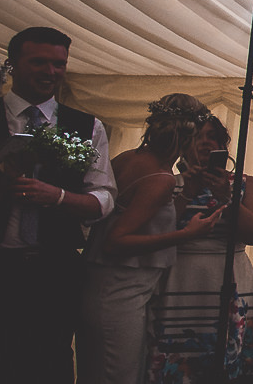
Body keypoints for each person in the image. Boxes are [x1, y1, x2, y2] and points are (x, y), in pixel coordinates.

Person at [0, 26, 118, 384]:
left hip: (55, 268)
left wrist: (59, 197)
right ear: (14, 64)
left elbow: (104, 197)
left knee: (51, 361)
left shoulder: (86, 126)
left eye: (59, 64)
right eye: (39, 62)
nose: (51, 72)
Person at [78, 95, 223, 384]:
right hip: (121, 292)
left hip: (99, 285)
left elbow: (143, 219)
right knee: (117, 376)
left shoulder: (127, 158)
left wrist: (188, 193)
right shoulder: (161, 177)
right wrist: (186, 234)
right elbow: (116, 240)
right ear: (187, 136)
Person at [146, 113, 253, 383]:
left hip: (231, 278)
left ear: (223, 145)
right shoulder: (169, 182)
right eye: (197, 137)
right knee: (180, 357)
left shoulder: (244, 183)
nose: (205, 143)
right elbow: (157, 231)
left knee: (229, 360)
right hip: (180, 280)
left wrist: (228, 200)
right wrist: (189, 191)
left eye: (211, 137)